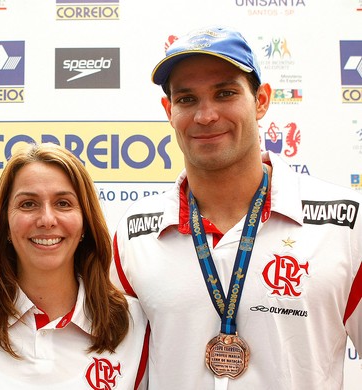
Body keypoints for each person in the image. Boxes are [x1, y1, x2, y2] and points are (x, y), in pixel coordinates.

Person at [111, 26, 362, 389]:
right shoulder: (135, 234)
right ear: (169, 110)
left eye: (225, 93)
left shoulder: (346, 226)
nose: (206, 115)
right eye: (186, 99)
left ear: (261, 100)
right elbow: (115, 370)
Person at [0, 142, 149, 389]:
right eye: (28, 204)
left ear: (85, 223)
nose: (47, 219)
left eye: (63, 203)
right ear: (5, 223)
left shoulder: (134, 323)